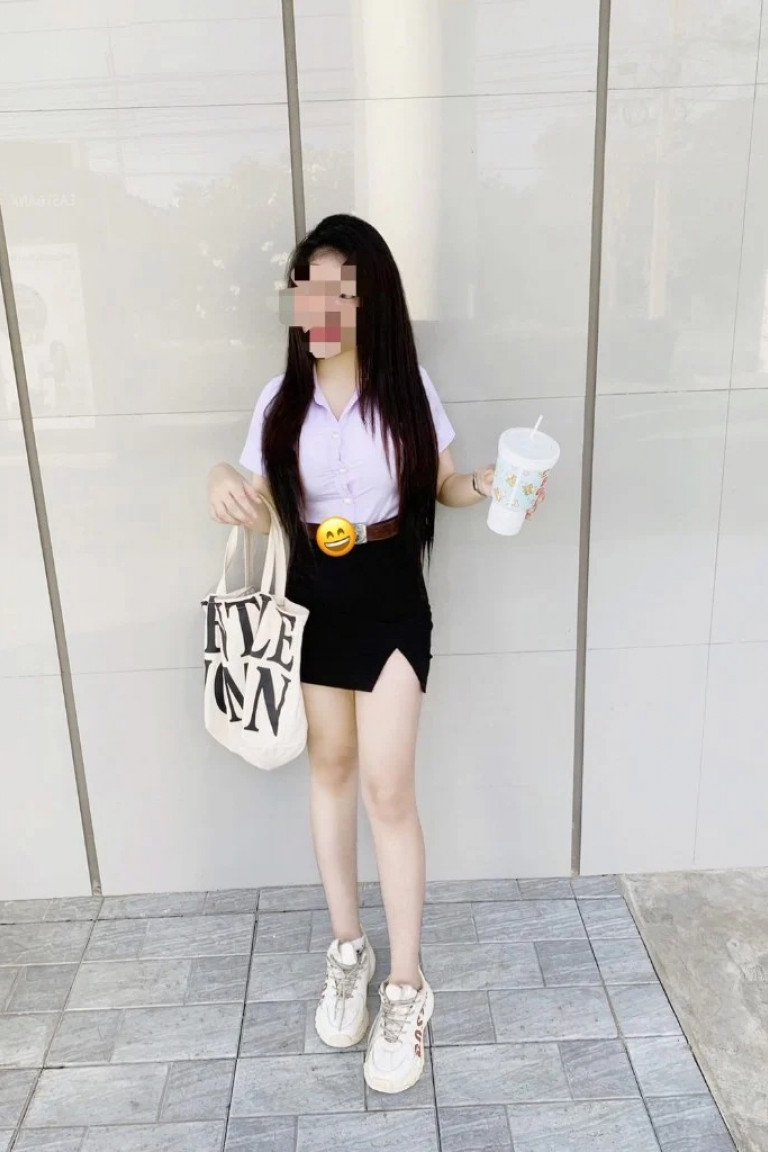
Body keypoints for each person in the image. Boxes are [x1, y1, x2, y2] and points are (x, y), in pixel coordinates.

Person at [206, 213, 546, 1095]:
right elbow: (252, 497)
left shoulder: (406, 389)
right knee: (330, 771)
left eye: (341, 290)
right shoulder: (278, 402)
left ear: (370, 302)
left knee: (388, 790)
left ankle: (406, 987)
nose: (321, 305)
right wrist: (221, 479)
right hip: (311, 597)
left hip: (390, 594)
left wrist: (490, 485)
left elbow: (444, 485)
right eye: (309, 287)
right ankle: (348, 951)